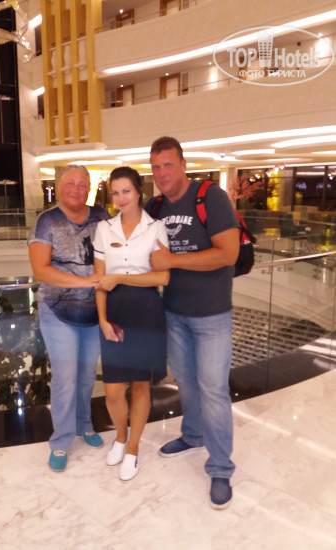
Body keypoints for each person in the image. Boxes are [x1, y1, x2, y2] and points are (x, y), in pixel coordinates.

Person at [146, 137, 239, 509]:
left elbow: (228, 253)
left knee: (213, 389)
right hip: (173, 312)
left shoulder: (209, 197)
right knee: (185, 381)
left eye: (168, 165)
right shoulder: (154, 207)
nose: (162, 174)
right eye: (156, 167)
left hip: (212, 314)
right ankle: (193, 434)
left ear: (183, 165)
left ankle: (220, 467)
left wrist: (173, 260)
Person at [28, 164, 109, 472]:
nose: (77, 189)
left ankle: (83, 424)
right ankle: (61, 440)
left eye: (83, 184)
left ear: (90, 188)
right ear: (59, 186)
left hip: (94, 312)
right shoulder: (47, 220)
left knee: (87, 375)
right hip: (58, 311)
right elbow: (41, 270)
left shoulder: (101, 216)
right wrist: (83, 282)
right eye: (70, 183)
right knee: (65, 377)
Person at [93, 166, 170, 481]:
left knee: (139, 386)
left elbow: (162, 277)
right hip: (114, 312)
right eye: (115, 192)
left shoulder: (156, 228)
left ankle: (133, 448)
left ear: (139, 192)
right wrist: (102, 319)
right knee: (113, 390)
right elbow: (101, 280)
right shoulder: (104, 229)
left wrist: (121, 278)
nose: (121, 198)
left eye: (126, 191)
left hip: (145, 312)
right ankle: (121, 437)